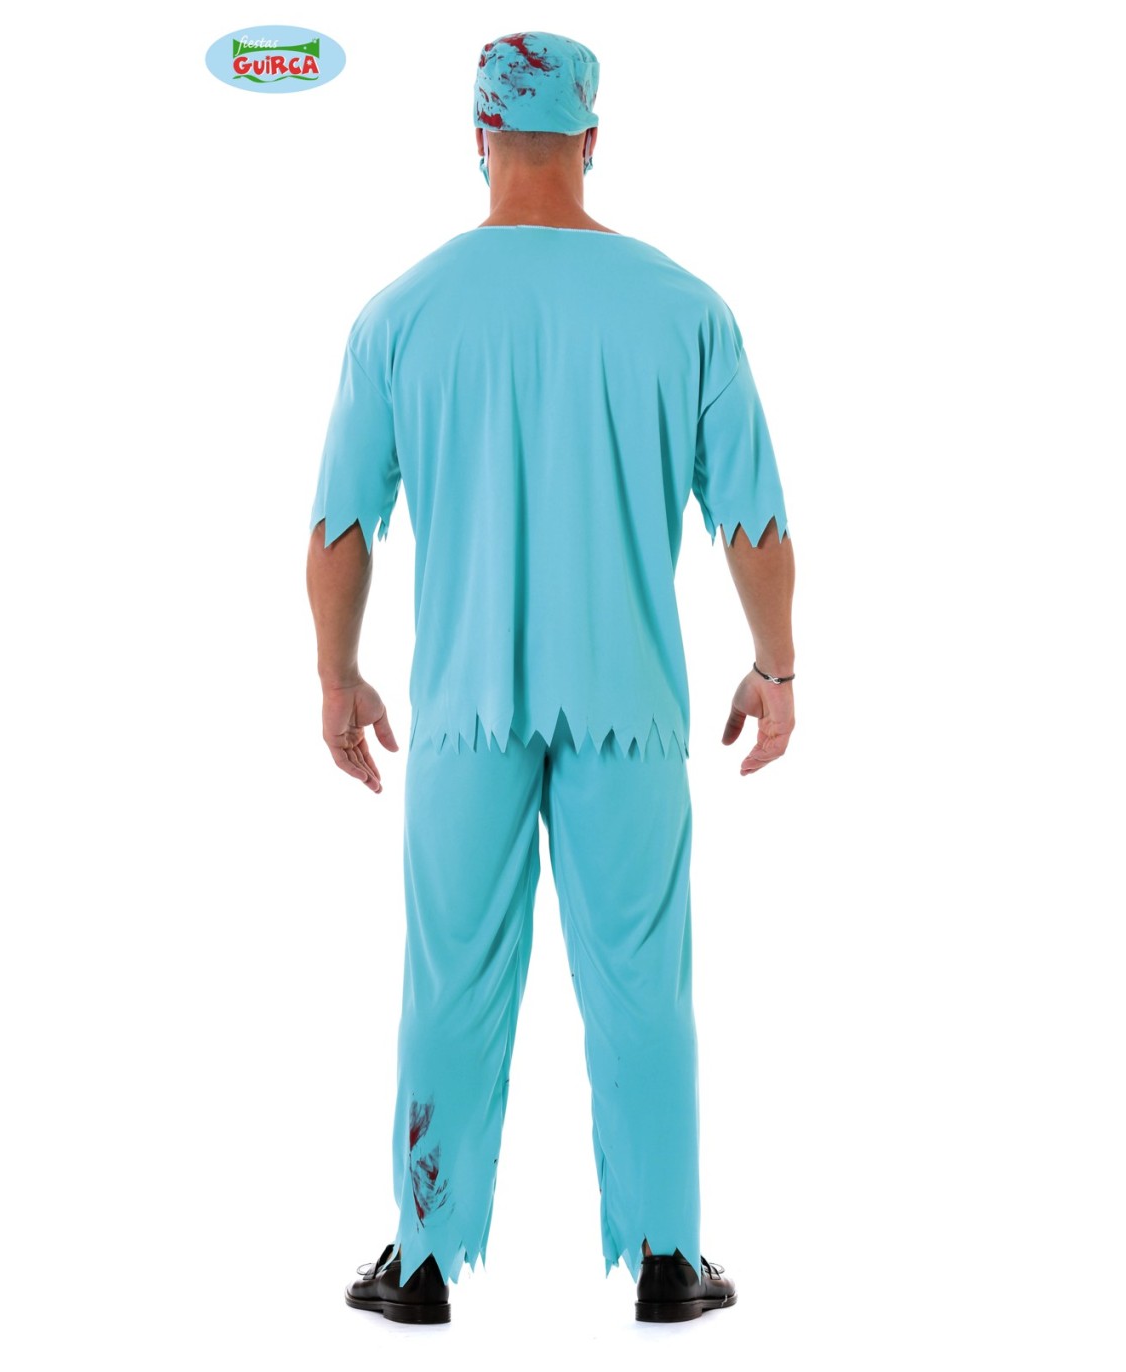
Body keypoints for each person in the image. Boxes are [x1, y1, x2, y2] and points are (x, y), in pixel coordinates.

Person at [305, 30, 796, 1326]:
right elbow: (755, 528)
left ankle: (420, 1263)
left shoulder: (400, 315)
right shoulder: (686, 310)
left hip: (463, 710)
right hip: (629, 707)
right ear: (591, 139)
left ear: (477, 138)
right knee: (641, 980)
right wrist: (775, 667)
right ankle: (669, 1262)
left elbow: (341, 532)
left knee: (450, 980)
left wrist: (339, 679)